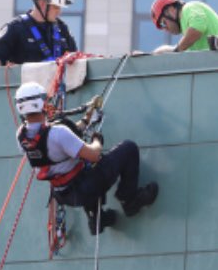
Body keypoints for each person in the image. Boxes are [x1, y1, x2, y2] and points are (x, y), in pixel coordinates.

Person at [14, 82, 158, 235]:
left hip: (63, 195)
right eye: (46, 99)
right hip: (84, 188)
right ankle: (130, 200)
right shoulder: (58, 133)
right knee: (127, 149)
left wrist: (87, 119)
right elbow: (94, 154)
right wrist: (96, 140)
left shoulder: (21, 136)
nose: (49, 103)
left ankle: (97, 218)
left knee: (81, 171)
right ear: (39, 103)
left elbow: (64, 139)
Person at [0, 0, 78, 67]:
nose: (59, 12)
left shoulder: (62, 29)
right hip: (25, 81)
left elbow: (76, 58)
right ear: (42, 3)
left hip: (57, 81)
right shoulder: (15, 28)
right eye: (56, 7)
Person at [150, 0, 218, 53]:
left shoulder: (189, 8)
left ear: (171, 10)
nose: (165, 29)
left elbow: (198, 28)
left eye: (163, 23)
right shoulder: (187, 35)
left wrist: (177, 50)